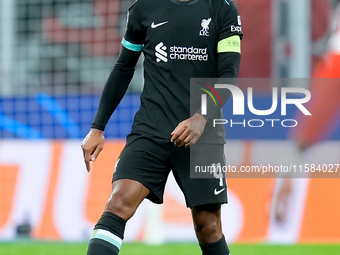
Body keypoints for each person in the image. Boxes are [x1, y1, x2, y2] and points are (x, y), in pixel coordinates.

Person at [81, 0, 243, 254]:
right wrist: (97, 127)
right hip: (151, 129)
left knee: (208, 226)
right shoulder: (144, 7)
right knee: (118, 203)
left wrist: (201, 118)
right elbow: (124, 67)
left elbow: (229, 74)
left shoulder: (222, 8)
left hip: (202, 134)